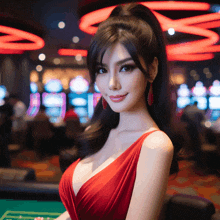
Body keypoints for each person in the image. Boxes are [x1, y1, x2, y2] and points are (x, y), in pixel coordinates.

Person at [58, 3, 180, 220]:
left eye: (126, 68)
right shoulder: (100, 130)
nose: (112, 84)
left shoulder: (155, 145)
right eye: (102, 70)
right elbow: (83, 210)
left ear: (152, 69)